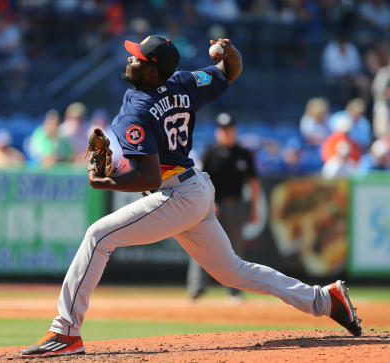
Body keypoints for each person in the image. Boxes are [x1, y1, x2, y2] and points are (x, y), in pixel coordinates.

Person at [21, 35, 362, 358]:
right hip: (194, 188)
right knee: (233, 272)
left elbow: (149, 176)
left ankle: (65, 332)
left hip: (176, 193)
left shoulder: (137, 111)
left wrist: (102, 180)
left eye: (137, 58)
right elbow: (230, 71)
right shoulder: (182, 83)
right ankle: (325, 300)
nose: (129, 59)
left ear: (152, 70)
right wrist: (230, 53)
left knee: (98, 237)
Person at [187, 112, 260, 303]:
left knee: (235, 250)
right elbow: (200, 182)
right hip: (213, 206)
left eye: (229, 129)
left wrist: (254, 208)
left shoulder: (243, 153)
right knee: (201, 246)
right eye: (222, 129)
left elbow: (253, 183)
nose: (226, 133)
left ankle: (235, 292)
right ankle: (197, 289)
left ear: (235, 130)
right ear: (218, 131)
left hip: (236, 205)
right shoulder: (210, 152)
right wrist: (208, 205)